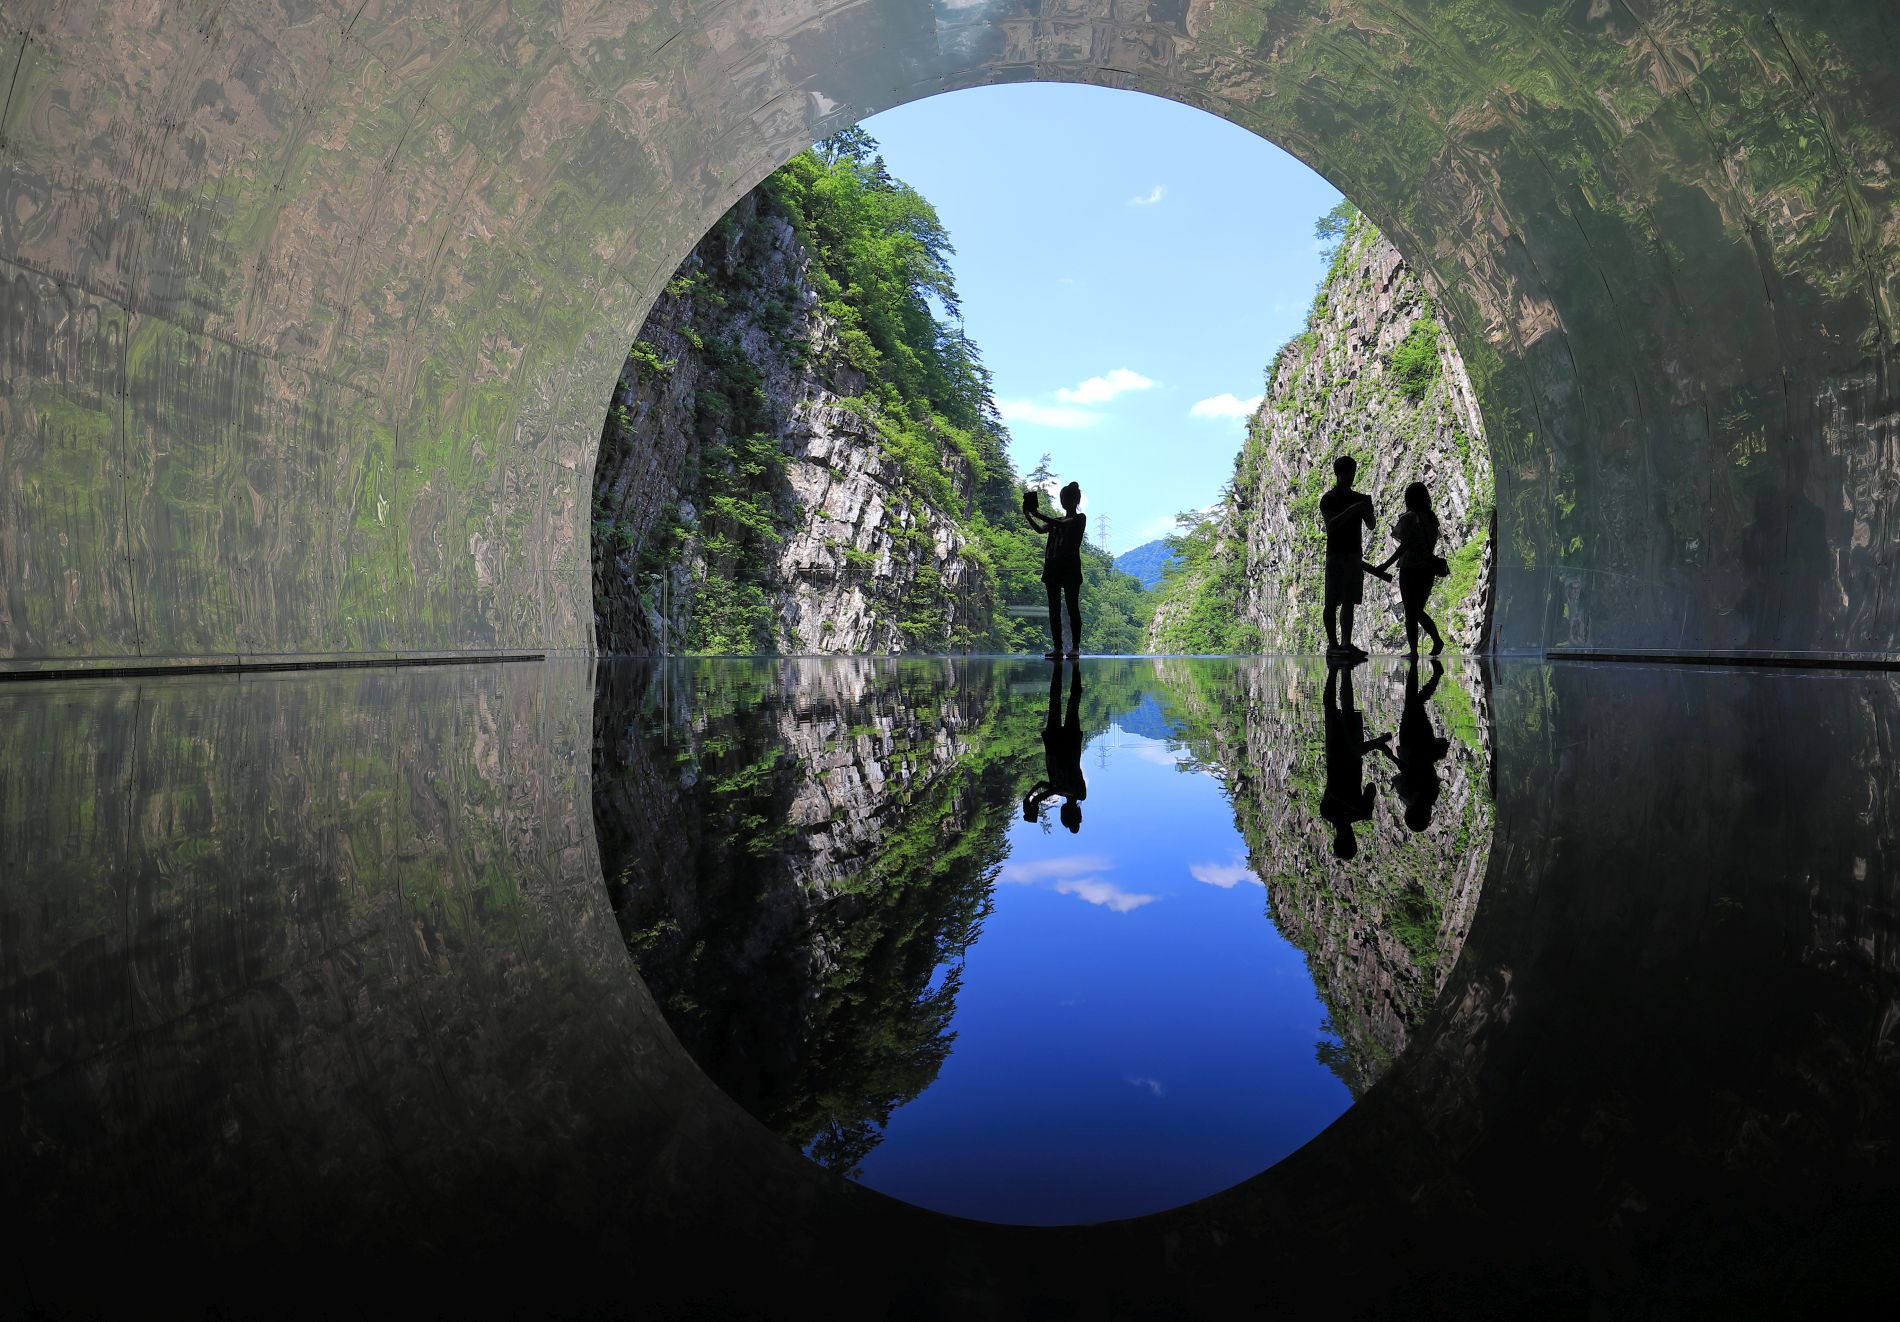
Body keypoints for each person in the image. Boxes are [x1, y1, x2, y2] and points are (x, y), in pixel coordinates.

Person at [1318, 662, 1391, 860]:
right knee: (1342, 708)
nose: (1349, 837)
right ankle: (1344, 670)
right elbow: (1371, 787)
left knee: (1333, 710)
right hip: (1347, 757)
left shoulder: (1329, 812)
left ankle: (1335, 670)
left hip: (1340, 757)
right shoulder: (1352, 813)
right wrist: (1366, 805)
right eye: (1351, 840)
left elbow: (1334, 791)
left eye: (1347, 841)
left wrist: (1359, 807)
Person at [1373, 481, 1447, 657]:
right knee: (1417, 609)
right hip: (1428, 567)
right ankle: (1436, 640)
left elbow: (1404, 545)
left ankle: (1415, 650)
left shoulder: (1408, 518)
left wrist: (1386, 564)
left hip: (1410, 568)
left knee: (1411, 610)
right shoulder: (1431, 518)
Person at [1318, 456, 1376, 658]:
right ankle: (1333, 644)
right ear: (1338, 474)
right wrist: (1353, 509)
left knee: (1349, 601)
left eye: (1352, 473)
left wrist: (1368, 509)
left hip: (1353, 554)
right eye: (1347, 473)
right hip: (1335, 554)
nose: (1350, 477)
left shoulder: (1359, 498)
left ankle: (1345, 643)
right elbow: (1331, 526)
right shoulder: (1329, 499)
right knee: (1332, 602)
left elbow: (1371, 524)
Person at [1023, 481, 1086, 660]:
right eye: (1063, 498)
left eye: (1067, 498)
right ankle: (1058, 647)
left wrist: (1036, 513)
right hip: (1053, 568)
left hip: (1070, 569)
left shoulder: (1079, 519)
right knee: (1054, 609)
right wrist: (1028, 515)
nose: (1065, 501)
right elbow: (1040, 529)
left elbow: (1062, 525)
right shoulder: (1057, 521)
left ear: (1075, 500)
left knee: (1072, 608)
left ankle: (1075, 647)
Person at [1023, 661, 1086, 833]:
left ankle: (1058, 667)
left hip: (1055, 741)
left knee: (1055, 701)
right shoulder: (1079, 794)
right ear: (1069, 812)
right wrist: (1036, 798)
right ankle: (1075, 667)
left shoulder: (1061, 792)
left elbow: (1044, 783)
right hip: (1068, 742)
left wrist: (1030, 796)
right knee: (1073, 702)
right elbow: (1059, 788)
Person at [1388, 656, 1450, 831]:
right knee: (1412, 703)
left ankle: (1430, 672)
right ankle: (1417, 666)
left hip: (1425, 746)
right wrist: (1389, 754)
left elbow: (1416, 770)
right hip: (1411, 745)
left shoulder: (1431, 795)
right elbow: (1410, 770)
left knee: (1414, 703)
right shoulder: (1411, 795)